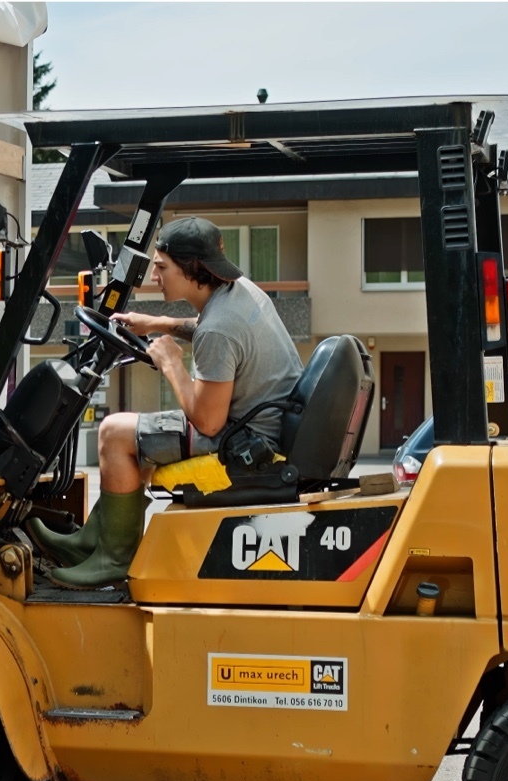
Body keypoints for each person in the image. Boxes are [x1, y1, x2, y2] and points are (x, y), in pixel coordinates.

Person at [29, 216, 303, 589]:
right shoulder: (240, 293)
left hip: (247, 445)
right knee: (136, 436)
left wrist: (172, 364)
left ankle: (113, 559)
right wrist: (158, 323)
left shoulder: (219, 329)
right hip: (260, 423)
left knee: (114, 433)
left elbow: (208, 422)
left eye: (162, 267)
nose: (153, 277)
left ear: (193, 269)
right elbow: (207, 329)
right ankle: (89, 543)